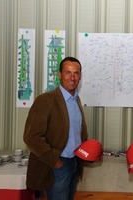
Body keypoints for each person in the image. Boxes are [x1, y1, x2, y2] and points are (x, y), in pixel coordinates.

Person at [23, 56, 88, 200]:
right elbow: (31, 137)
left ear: (80, 77)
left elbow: (76, 133)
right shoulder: (45, 100)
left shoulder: (76, 99)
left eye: (76, 73)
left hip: (75, 163)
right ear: (59, 74)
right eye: (68, 72)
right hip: (58, 165)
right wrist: (55, 161)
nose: (72, 77)